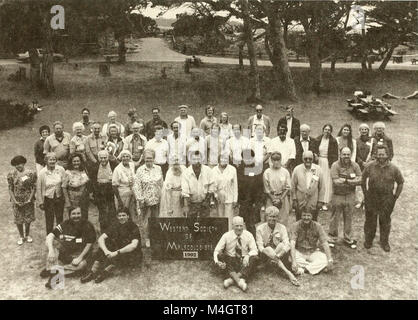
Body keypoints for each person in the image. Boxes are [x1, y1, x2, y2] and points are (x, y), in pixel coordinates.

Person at [40, 206, 96, 289]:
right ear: (69, 215)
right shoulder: (65, 224)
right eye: (73, 214)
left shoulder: (87, 225)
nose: (76, 216)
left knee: (82, 265)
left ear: (81, 214)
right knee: (50, 242)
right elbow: (50, 235)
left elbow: (89, 244)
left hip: (80, 254)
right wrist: (51, 251)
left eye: (78, 213)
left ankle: (54, 272)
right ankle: (56, 269)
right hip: (67, 253)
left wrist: (80, 258)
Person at [81, 209, 141, 283]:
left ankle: (105, 273)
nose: (121, 217)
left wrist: (116, 253)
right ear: (117, 217)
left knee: (120, 254)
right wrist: (106, 251)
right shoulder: (115, 225)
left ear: (128, 216)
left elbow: (133, 246)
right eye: (119, 216)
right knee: (104, 246)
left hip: (132, 254)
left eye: (124, 215)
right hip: (118, 249)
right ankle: (92, 272)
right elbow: (101, 238)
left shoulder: (133, 227)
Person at [362, 145, 404, 252]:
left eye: (383, 154)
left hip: (387, 199)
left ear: (387, 155)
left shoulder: (394, 168)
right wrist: (366, 194)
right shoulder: (370, 166)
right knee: (370, 220)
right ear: (376, 154)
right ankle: (369, 240)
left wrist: (395, 196)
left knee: (385, 221)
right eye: (378, 154)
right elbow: (363, 180)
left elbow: (400, 182)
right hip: (372, 197)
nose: (380, 157)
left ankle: (384, 241)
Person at [133, 149, 163, 266]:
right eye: (146, 159)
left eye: (150, 158)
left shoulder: (158, 169)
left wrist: (162, 197)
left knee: (155, 222)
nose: (148, 160)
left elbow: (161, 183)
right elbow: (136, 186)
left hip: (156, 200)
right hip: (144, 202)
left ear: (153, 159)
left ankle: (155, 243)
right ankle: (145, 243)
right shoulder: (140, 170)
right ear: (144, 159)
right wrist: (140, 199)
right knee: (144, 223)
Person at [256, 207, 299, 286]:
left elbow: (287, 244)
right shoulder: (260, 228)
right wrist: (269, 252)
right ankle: (288, 273)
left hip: (279, 253)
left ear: (278, 217)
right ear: (266, 217)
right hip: (265, 254)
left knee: (281, 245)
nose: (272, 219)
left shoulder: (282, 227)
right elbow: (260, 246)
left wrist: (278, 255)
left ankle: (273, 262)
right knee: (268, 248)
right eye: (270, 216)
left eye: (275, 216)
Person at [328, 147, 362, 249]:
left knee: (349, 218)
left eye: (348, 154)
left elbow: (360, 179)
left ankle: (348, 238)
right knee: (335, 218)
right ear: (340, 154)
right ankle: (332, 238)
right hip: (338, 195)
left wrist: (346, 181)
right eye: (344, 154)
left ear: (351, 155)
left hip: (350, 195)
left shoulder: (355, 165)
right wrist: (352, 181)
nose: (346, 156)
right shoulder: (335, 165)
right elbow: (336, 181)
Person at [213, 216, 258, 292]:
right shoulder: (226, 236)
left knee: (255, 258)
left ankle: (231, 280)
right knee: (221, 256)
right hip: (231, 260)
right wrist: (217, 262)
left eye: (241, 225)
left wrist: (248, 255)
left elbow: (255, 250)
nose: (239, 228)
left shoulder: (249, 235)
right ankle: (241, 281)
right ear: (232, 226)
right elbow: (216, 251)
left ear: (244, 225)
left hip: (244, 261)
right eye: (237, 226)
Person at [290, 210, 333, 275]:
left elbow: (324, 243)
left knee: (325, 259)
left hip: (312, 252)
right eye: (304, 215)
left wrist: (329, 260)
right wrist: (293, 261)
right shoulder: (295, 225)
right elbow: (292, 243)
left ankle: (303, 269)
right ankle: (315, 267)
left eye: (308, 215)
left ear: (312, 216)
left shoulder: (317, 226)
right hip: (299, 252)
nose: (306, 218)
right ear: (301, 216)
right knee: (290, 258)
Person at [7, 156, 37, 245]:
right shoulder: (11, 174)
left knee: (28, 218)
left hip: (28, 200)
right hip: (17, 200)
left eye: (20, 164)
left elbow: (33, 187)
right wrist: (14, 200)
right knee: (18, 219)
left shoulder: (30, 173)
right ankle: (21, 236)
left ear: (24, 163)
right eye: (16, 165)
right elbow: (10, 188)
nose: (18, 166)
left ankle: (27, 235)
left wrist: (30, 199)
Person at [291, 151, 325, 221]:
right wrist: (294, 200)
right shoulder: (297, 169)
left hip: (313, 202)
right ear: (302, 159)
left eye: (310, 159)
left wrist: (320, 201)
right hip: (300, 202)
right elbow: (293, 186)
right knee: (299, 221)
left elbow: (322, 186)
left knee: (313, 221)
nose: (308, 160)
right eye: (306, 158)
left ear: (313, 159)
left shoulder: (318, 169)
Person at [37, 152, 66, 234]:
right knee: (49, 218)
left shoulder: (61, 169)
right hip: (48, 199)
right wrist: (40, 202)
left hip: (59, 198)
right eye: (50, 160)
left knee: (60, 217)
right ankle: (49, 236)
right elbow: (39, 188)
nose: (52, 161)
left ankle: (59, 234)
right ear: (46, 161)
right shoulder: (42, 172)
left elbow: (64, 183)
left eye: (54, 159)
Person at [237, 149, 264, 237]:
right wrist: (239, 201)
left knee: (251, 225)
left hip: (253, 203)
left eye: (250, 157)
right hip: (242, 202)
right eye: (246, 158)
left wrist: (258, 203)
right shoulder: (238, 170)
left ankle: (254, 244)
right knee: (239, 223)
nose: (248, 160)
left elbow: (260, 187)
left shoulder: (257, 169)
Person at [181, 151, 214, 218]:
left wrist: (207, 201)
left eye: (199, 159)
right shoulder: (186, 173)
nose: (197, 161)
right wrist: (186, 206)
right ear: (190, 160)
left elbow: (212, 186)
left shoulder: (208, 170)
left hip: (205, 202)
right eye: (194, 159)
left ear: (202, 159)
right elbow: (185, 191)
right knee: (191, 224)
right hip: (192, 203)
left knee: (205, 224)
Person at [263, 152, 291, 226]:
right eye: (274, 160)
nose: (276, 162)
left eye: (278, 160)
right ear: (271, 160)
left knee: (283, 220)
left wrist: (280, 199)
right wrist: (273, 199)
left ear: (281, 160)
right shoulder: (267, 172)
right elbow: (266, 188)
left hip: (283, 198)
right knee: (270, 218)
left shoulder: (285, 172)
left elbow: (288, 187)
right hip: (271, 198)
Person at [211, 154, 238, 230]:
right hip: (218, 198)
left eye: (225, 159)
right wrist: (216, 196)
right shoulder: (213, 170)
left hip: (229, 197)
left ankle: (228, 235)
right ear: (219, 160)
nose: (223, 160)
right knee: (219, 218)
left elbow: (235, 185)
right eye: (222, 159)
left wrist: (235, 200)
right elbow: (213, 186)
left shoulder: (232, 169)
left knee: (229, 219)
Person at [316, 123, 338, 211]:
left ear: (331, 131)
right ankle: (318, 201)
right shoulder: (318, 139)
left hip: (327, 163)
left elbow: (335, 154)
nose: (327, 131)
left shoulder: (333, 141)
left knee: (326, 182)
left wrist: (332, 165)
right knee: (318, 180)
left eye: (329, 130)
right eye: (326, 129)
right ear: (323, 130)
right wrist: (315, 156)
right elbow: (314, 149)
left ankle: (325, 202)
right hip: (318, 162)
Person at [62, 154, 90, 220]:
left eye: (78, 161)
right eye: (74, 161)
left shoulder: (84, 170)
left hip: (83, 198)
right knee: (74, 217)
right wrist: (67, 201)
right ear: (71, 162)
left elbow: (87, 183)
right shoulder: (67, 172)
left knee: (84, 217)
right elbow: (64, 187)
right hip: (72, 198)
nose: (76, 163)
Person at [95, 150, 116, 232]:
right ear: (98, 158)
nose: (103, 160)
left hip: (110, 190)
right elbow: (93, 180)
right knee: (102, 212)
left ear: (108, 158)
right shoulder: (95, 166)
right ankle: (103, 231)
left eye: (105, 158)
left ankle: (112, 231)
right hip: (100, 191)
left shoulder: (113, 165)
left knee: (112, 210)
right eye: (101, 158)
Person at [112, 150, 136, 218]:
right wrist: (119, 200)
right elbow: (114, 186)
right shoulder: (117, 169)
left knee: (132, 214)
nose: (125, 158)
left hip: (132, 193)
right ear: (121, 158)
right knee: (123, 214)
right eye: (123, 156)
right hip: (122, 194)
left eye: (127, 156)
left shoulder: (132, 165)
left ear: (130, 157)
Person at [355, 123, 372, 208]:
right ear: (360, 130)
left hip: (369, 165)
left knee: (368, 183)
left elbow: (374, 152)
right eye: (362, 129)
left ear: (368, 130)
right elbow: (355, 153)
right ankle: (359, 201)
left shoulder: (372, 140)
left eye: (366, 129)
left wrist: (369, 163)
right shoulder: (356, 140)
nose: (364, 131)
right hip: (360, 165)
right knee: (359, 183)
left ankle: (367, 201)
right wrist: (361, 162)